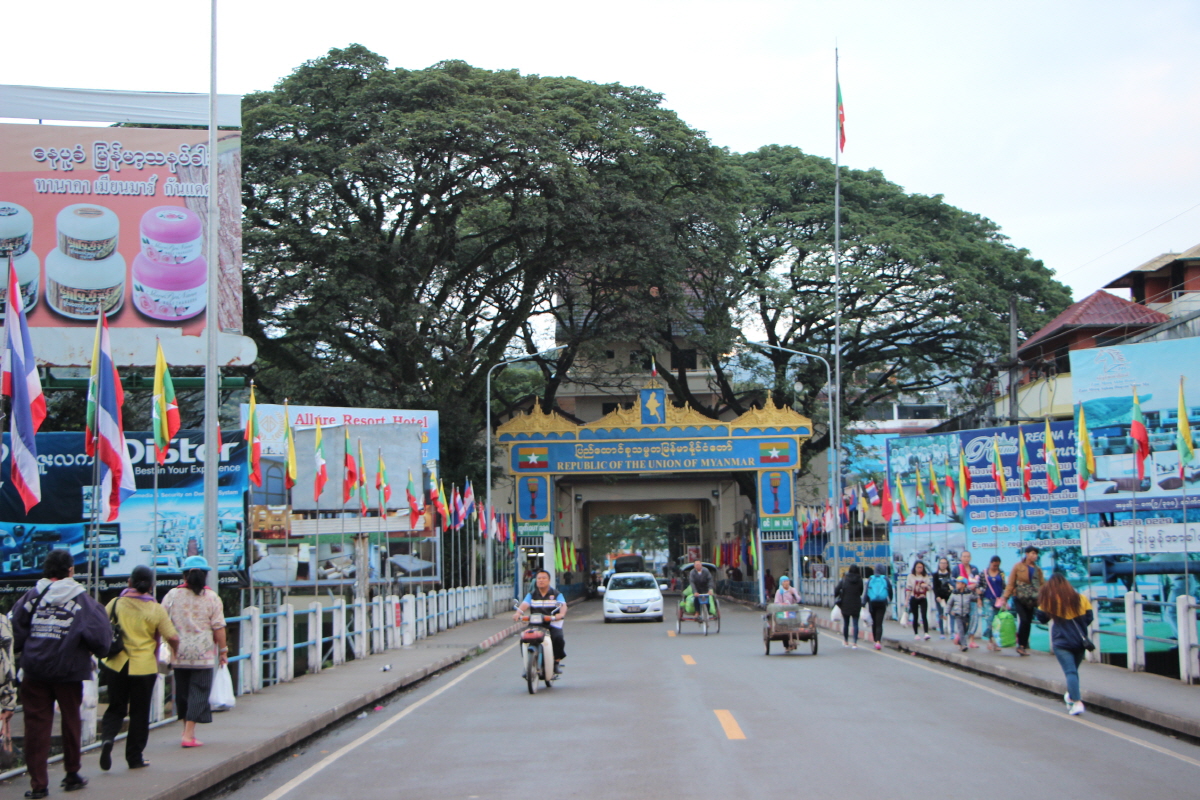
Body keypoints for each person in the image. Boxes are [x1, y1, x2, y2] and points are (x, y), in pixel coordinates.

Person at [12, 550, 112, 798]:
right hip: (69, 671)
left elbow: (15, 630)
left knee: (36, 727)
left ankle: (38, 785)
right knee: (71, 721)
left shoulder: (32, 596)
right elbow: (101, 639)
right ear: (70, 571)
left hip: (35, 671)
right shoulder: (83, 601)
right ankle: (71, 774)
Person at [99, 566, 181, 771]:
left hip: (116, 664)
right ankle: (134, 758)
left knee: (115, 707)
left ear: (129, 582)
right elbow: (172, 636)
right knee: (139, 713)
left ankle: (108, 739)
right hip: (144, 668)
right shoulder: (155, 609)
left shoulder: (116, 603)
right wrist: (174, 653)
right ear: (151, 586)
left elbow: (99, 624)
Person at [163, 556, 228, 748]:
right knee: (199, 693)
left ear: (184, 575)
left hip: (179, 653)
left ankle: (186, 731)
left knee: (183, 694)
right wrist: (223, 651)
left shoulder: (172, 596)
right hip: (204, 654)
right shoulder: (212, 598)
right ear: (206, 576)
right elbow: (219, 627)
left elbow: (162, 620)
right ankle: (189, 734)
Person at [1036, 574, 1094, 716]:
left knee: (1070, 672)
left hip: (1062, 643)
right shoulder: (1081, 599)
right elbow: (1089, 618)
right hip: (1080, 643)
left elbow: (1041, 618)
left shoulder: (1051, 601)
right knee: (1073, 672)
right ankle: (1071, 696)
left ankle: (1077, 701)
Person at [513, 570, 567, 674]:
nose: (541, 580)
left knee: (558, 638)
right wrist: (518, 613)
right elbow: (524, 604)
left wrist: (561, 614)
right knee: (524, 638)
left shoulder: (556, 594)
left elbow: (563, 605)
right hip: (535, 623)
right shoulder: (532, 594)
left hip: (552, 623)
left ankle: (556, 662)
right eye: (539, 578)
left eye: (543, 578)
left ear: (549, 580)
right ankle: (527, 664)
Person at [1002, 546, 1044, 656]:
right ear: (1026, 554)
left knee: (1028, 622)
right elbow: (1011, 583)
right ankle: (1020, 644)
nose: (1034, 556)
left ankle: (1022, 646)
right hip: (1019, 597)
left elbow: (1042, 584)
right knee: (1024, 620)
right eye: (1032, 553)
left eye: (1036, 554)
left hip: (1032, 599)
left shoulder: (1037, 569)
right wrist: (1005, 597)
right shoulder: (1018, 566)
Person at [952, 551, 982, 651]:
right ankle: (961, 637)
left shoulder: (974, 569)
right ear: (961, 558)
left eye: (968, 556)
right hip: (961, 598)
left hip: (972, 596)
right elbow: (952, 582)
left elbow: (978, 582)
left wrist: (977, 595)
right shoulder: (957, 569)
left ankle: (971, 639)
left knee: (974, 618)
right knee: (963, 620)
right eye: (964, 556)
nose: (966, 558)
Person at [980, 556, 1008, 652]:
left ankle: (995, 641)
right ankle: (991, 640)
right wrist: (979, 597)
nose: (995, 567)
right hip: (987, 599)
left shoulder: (1001, 573)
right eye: (994, 565)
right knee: (990, 620)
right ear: (990, 563)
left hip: (998, 600)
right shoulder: (984, 573)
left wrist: (1005, 598)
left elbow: (1004, 586)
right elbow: (979, 585)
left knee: (997, 622)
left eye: (997, 565)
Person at [862, 565, 893, 650]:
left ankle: (875, 641)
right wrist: (890, 599)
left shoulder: (871, 579)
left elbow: (867, 591)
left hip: (872, 603)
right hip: (882, 603)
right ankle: (878, 641)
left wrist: (864, 603)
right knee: (879, 623)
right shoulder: (885, 579)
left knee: (874, 622)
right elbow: (890, 590)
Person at [834, 565, 864, 648]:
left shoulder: (844, 579)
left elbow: (836, 591)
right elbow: (861, 592)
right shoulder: (860, 580)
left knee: (846, 623)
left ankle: (846, 641)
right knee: (855, 624)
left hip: (845, 603)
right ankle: (855, 642)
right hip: (856, 604)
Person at [904, 561, 932, 640]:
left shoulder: (925, 576)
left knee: (924, 615)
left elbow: (930, 587)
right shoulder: (911, 576)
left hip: (923, 597)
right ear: (915, 568)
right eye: (918, 567)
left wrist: (926, 585)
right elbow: (908, 588)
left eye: (921, 567)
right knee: (915, 616)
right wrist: (906, 600)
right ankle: (916, 633)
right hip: (914, 597)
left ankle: (926, 633)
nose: (920, 569)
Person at [932, 557, 955, 640]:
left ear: (947, 564)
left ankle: (952, 632)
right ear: (939, 564)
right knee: (941, 614)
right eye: (941, 563)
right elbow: (935, 587)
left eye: (945, 563)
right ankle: (942, 632)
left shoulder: (950, 574)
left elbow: (954, 585)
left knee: (952, 613)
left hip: (949, 596)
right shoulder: (935, 575)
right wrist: (937, 596)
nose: (943, 565)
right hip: (940, 597)